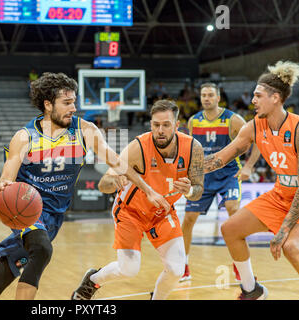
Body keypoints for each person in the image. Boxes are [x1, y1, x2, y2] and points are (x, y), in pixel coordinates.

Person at [0, 72, 169, 300]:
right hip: (27, 211)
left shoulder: (86, 131)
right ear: (48, 105)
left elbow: (118, 162)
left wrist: (148, 190)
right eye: (67, 102)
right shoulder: (25, 137)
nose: (74, 107)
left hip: (53, 218)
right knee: (42, 249)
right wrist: (4, 183)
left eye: (74, 101)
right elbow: (9, 172)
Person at [71, 100, 205, 300]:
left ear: (177, 126)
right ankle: (93, 279)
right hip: (130, 212)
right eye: (155, 125)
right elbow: (103, 184)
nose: (160, 130)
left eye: (166, 125)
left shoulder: (193, 148)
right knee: (129, 269)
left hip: (162, 213)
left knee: (177, 270)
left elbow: (198, 190)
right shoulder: (138, 148)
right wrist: (113, 180)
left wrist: (189, 191)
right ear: (150, 124)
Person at [203, 61, 299, 300]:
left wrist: (284, 229)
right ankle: (251, 290)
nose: (252, 100)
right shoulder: (255, 126)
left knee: (290, 247)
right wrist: (184, 170)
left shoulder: (297, 128)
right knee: (230, 229)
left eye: (258, 96)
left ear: (275, 98)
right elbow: (221, 157)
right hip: (280, 195)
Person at [180, 83, 260, 282]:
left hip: (228, 175)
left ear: (218, 98)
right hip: (203, 177)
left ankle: (240, 267)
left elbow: (257, 139)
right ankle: (183, 267)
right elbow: (191, 150)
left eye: (210, 95)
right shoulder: (193, 121)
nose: (206, 98)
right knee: (188, 219)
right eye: (203, 95)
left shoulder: (233, 119)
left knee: (234, 214)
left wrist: (249, 166)